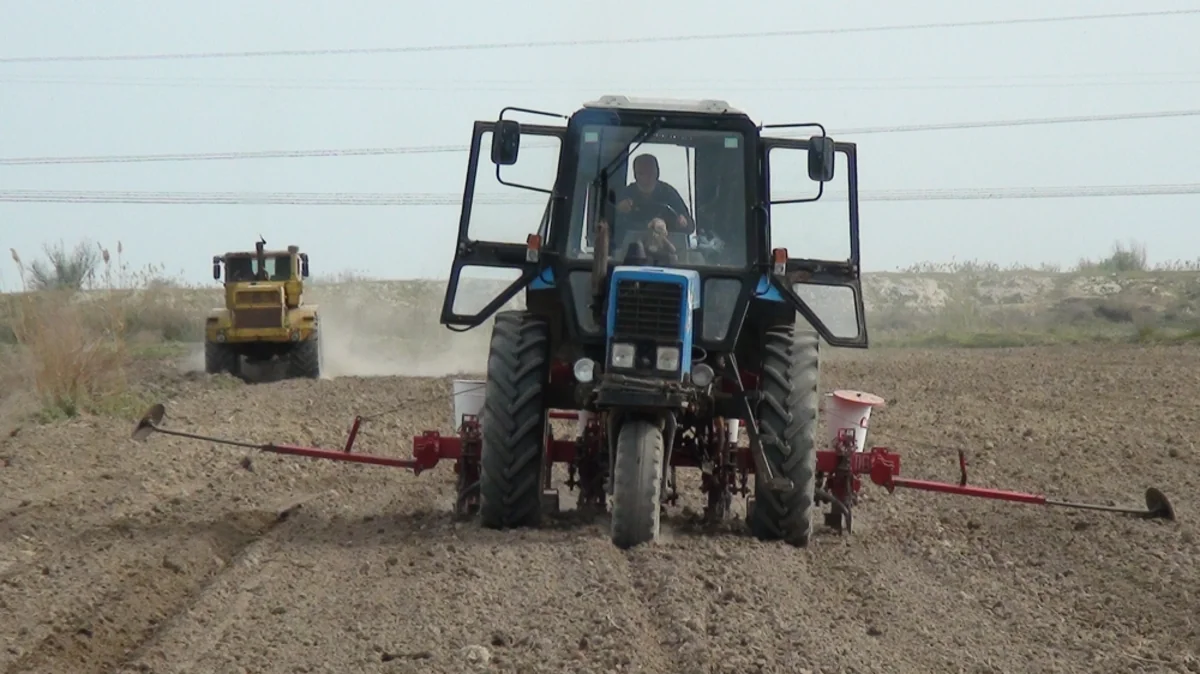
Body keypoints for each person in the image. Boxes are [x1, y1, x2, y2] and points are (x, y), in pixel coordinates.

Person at [610, 154, 695, 251]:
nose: (647, 177)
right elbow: (609, 226)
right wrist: (618, 211)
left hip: (669, 252)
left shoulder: (669, 193)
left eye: (650, 172)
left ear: (657, 172)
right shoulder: (625, 195)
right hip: (630, 253)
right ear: (635, 175)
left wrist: (683, 222)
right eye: (642, 173)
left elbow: (690, 226)